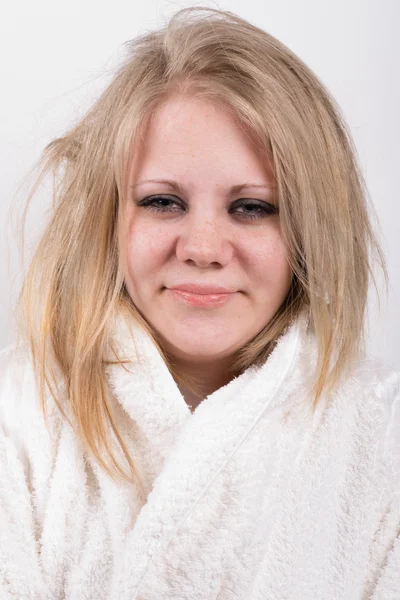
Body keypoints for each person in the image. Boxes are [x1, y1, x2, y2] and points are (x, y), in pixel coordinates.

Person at [0, 6, 398, 599]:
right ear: (110, 216)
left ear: (311, 231)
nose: (204, 248)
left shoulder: (385, 433)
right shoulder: (19, 418)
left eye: (253, 207)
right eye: (163, 202)